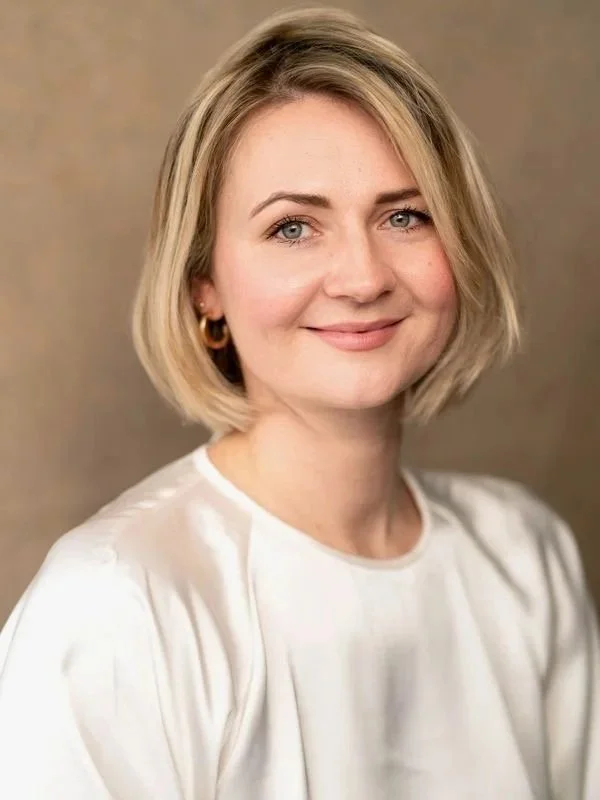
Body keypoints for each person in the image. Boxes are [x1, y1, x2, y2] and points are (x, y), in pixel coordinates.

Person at [0, 5, 598, 798]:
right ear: (204, 285)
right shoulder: (114, 605)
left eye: (404, 215)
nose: (362, 277)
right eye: (292, 228)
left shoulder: (525, 558)